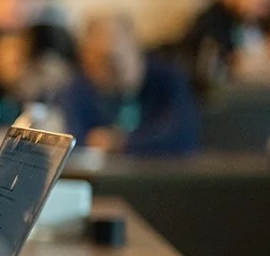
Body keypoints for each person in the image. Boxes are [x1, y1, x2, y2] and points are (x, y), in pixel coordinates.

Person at [60, 12, 198, 156]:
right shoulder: (79, 86)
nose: (111, 69)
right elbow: (74, 139)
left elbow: (181, 135)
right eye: (98, 61)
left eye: (114, 58)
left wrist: (118, 142)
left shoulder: (168, 79)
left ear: (135, 46)